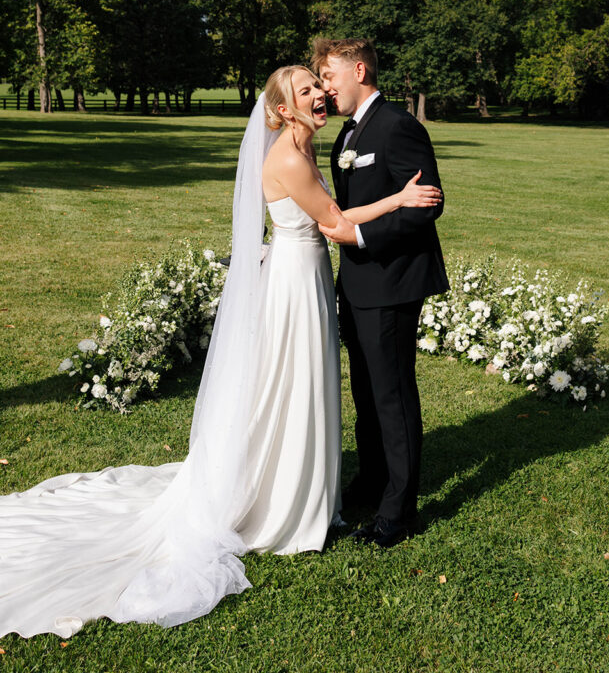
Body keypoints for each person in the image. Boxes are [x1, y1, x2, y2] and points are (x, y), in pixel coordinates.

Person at [0, 65, 441, 640]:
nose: (320, 94)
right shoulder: (287, 156)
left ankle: (313, 484)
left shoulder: (309, 148)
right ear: (282, 110)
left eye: (318, 84)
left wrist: (388, 200)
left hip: (304, 275)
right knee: (290, 384)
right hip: (292, 281)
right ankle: (280, 499)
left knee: (301, 384)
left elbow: (327, 217)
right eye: (307, 90)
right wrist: (398, 200)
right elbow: (333, 223)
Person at [313, 38, 449, 548]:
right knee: (366, 391)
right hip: (357, 282)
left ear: (360, 69)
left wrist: (362, 237)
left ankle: (398, 510)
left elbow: (425, 205)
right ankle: (372, 480)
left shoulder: (399, 126)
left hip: (392, 280)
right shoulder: (347, 134)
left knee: (391, 394)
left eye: (329, 76)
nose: (326, 87)